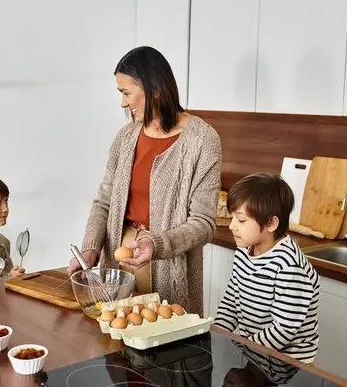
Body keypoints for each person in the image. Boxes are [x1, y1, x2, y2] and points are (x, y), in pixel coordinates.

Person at [66, 46, 222, 316]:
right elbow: (104, 201)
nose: (123, 103)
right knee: (113, 341)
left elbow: (204, 224)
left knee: (165, 348)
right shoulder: (125, 137)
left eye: (127, 93)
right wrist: (90, 248)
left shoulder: (203, 141)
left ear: (154, 89)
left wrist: (156, 244)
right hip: (119, 258)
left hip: (164, 259)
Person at [214, 173, 320, 364]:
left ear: (271, 223)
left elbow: (284, 328)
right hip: (258, 354)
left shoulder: (289, 266)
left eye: (241, 220)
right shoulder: (244, 250)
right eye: (232, 218)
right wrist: (216, 336)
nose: (231, 226)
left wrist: (245, 347)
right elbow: (231, 301)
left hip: (290, 366)